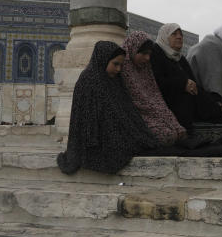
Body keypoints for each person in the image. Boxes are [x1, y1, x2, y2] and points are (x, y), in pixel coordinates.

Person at [57, 41, 157, 174]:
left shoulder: (113, 79)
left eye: (121, 65)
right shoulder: (88, 81)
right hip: (94, 141)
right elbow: (88, 124)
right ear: (103, 59)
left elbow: (125, 109)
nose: (118, 69)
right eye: (115, 64)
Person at [150, 22, 222, 131]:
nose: (179, 37)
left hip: (189, 97)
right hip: (170, 102)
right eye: (174, 34)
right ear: (164, 37)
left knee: (215, 98)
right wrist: (182, 84)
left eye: (181, 34)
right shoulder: (156, 53)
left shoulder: (180, 58)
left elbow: (193, 83)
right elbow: (156, 82)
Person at [121, 31, 187, 145]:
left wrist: (173, 122)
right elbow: (139, 103)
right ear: (133, 49)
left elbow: (157, 98)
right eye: (144, 53)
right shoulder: (122, 69)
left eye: (149, 54)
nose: (147, 58)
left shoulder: (146, 69)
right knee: (165, 134)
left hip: (153, 114)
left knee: (177, 131)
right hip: (135, 117)